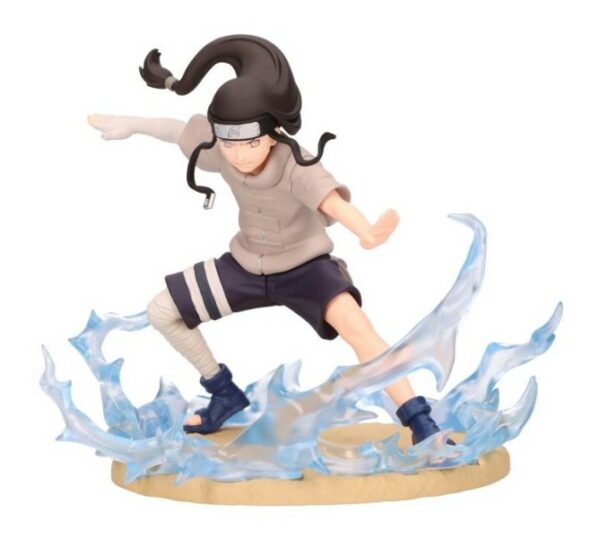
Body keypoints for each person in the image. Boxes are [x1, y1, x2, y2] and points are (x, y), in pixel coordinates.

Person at [88, 34, 449, 445]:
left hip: (306, 269)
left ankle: (420, 422)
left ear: (274, 133)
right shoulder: (223, 152)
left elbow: (331, 202)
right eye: (229, 143)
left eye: (251, 143)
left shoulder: (296, 164)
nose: (239, 155)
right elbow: (178, 131)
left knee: (358, 328)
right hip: (246, 266)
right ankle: (223, 393)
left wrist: (365, 230)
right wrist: (132, 125)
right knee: (162, 311)